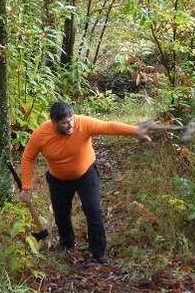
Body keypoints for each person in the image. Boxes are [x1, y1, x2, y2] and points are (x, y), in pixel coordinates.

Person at [19, 102, 151, 263]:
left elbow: (108, 127)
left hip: (86, 175)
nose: (71, 125)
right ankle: (67, 244)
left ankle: (98, 252)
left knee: (93, 210)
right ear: (54, 122)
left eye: (71, 119)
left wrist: (135, 130)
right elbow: (28, 158)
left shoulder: (83, 123)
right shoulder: (41, 134)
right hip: (58, 180)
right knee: (61, 214)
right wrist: (26, 187)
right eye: (65, 123)